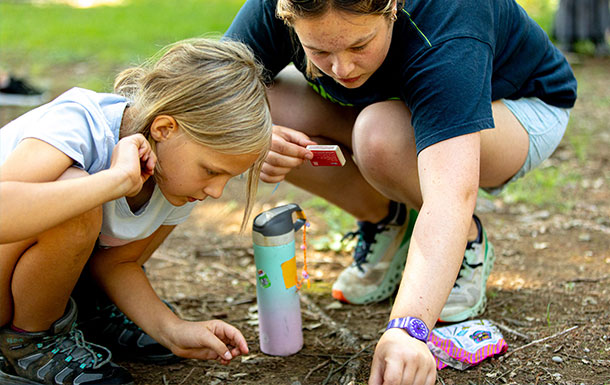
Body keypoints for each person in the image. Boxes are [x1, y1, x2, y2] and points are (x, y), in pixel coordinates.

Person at [225, 0, 577, 383]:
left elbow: (449, 197)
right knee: (257, 109)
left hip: (515, 108)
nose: (341, 69)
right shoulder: (277, 6)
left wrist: (409, 329)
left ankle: (467, 242)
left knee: (380, 136)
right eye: (320, 51)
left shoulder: (450, 21)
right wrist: (255, 138)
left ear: (392, 6)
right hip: (395, 104)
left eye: (360, 46)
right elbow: (211, 93)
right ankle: (390, 224)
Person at [0, 37, 272, 385]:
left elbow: (118, 262)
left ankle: (88, 315)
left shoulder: (177, 172)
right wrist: (115, 180)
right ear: (164, 128)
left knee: (89, 215)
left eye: (228, 178)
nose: (216, 192)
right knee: (76, 199)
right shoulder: (80, 123)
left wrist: (173, 331)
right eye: (211, 171)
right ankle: (31, 342)